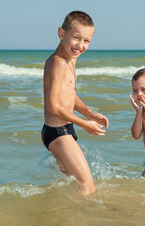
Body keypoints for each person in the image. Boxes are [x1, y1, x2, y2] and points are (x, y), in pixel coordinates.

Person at [41, 11, 109, 195]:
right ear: (61, 33)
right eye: (76, 38)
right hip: (57, 133)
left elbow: (68, 93)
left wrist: (88, 112)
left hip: (63, 130)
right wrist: (85, 124)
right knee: (88, 185)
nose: (80, 45)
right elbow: (52, 106)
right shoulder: (58, 63)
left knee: (72, 185)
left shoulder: (69, 60)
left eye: (86, 41)